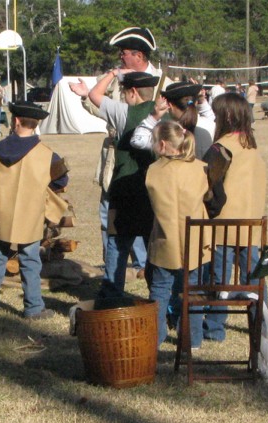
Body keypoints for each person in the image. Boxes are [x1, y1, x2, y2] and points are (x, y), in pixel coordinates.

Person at [69, 27, 166, 280]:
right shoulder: (115, 79)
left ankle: (144, 265)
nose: (121, 58)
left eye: (125, 53)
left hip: (153, 158)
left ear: (139, 55)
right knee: (109, 215)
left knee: (149, 219)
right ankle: (116, 268)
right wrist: (83, 96)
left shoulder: (162, 81)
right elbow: (99, 107)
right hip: (116, 155)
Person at [72, 71, 159, 300]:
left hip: (125, 190)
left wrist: (112, 73)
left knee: (117, 246)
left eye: (124, 92)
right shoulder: (164, 115)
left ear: (132, 92)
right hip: (156, 191)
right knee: (157, 248)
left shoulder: (123, 112)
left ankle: (112, 295)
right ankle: (161, 296)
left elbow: (94, 94)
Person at [0, 101, 68, 320]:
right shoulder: (48, 155)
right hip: (31, 214)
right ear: (35, 124)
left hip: (1, 212)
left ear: (16, 120)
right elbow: (62, 180)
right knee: (30, 261)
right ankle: (33, 308)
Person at [202, 92, 267, 342]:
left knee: (220, 281)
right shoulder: (250, 145)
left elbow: (209, 186)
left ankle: (215, 328)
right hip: (250, 224)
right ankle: (263, 323)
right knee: (254, 280)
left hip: (224, 225)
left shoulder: (221, 148)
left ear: (225, 117)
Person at [145, 121, 209, 346]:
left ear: (162, 144)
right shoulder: (201, 168)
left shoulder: (153, 171)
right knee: (193, 290)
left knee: (160, 289)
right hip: (197, 241)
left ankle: (156, 337)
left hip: (165, 240)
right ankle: (192, 339)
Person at [131, 81, 216, 160]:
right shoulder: (211, 125)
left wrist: (154, 116)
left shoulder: (168, 131)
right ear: (196, 103)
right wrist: (203, 102)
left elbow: (137, 140)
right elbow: (210, 116)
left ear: (169, 105)